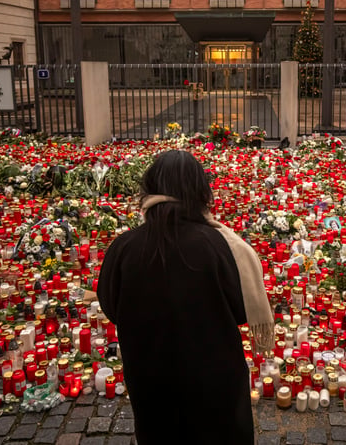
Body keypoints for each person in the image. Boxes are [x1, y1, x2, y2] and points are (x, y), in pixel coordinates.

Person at [97, 150, 273, 445]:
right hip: (215, 385)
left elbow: (110, 305)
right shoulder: (222, 246)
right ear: (201, 192)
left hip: (151, 379)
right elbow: (242, 310)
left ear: (150, 189)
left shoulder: (124, 248)